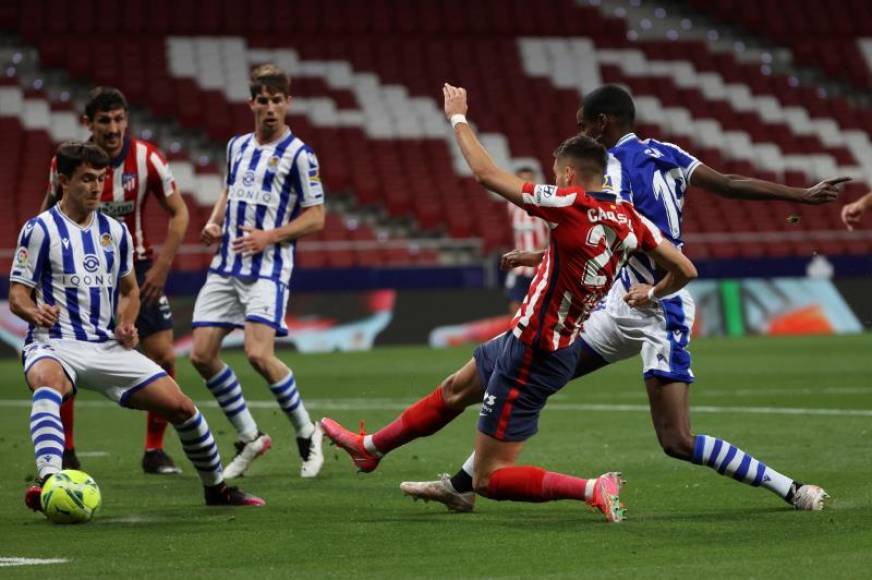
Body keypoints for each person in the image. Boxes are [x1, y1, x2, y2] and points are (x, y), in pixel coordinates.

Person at [401, 84, 837, 513]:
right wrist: (799, 194)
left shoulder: (613, 170)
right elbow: (728, 183)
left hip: (659, 305)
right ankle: (463, 485)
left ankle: (791, 488)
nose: (581, 133)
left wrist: (542, 256)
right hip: (620, 303)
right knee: (535, 373)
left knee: (677, 441)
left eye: (583, 124)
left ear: (602, 122)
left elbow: (610, 233)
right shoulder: (665, 151)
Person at [321, 84, 698, 521]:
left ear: (571, 176)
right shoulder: (630, 221)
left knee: (489, 476)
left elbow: (486, 174)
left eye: (558, 173)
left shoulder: (568, 204)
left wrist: (458, 118)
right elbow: (685, 270)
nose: (555, 180)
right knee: (455, 388)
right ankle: (370, 449)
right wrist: (652, 292)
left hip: (536, 353)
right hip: (542, 339)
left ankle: (594, 487)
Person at [15, 142, 263, 511]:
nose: (97, 187)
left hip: (105, 345)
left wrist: (126, 325)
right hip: (54, 342)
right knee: (49, 385)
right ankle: (50, 479)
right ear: (63, 181)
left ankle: (218, 490)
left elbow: (130, 291)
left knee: (181, 407)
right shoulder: (40, 230)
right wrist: (35, 314)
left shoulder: (115, 232)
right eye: (87, 179)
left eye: (100, 178)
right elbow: (18, 294)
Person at [40, 87, 189, 475]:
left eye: (119, 119)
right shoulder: (68, 162)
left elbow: (179, 213)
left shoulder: (148, 159)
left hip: (136, 270)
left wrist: (161, 267)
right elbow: (47, 210)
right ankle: (67, 450)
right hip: (77, 272)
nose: (113, 127)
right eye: (104, 120)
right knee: (64, 357)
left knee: (165, 355)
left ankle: (154, 450)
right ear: (88, 123)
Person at [190, 64, 325, 479]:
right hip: (226, 264)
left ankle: (307, 432)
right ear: (252, 103)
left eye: (277, 100)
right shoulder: (236, 147)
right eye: (263, 100)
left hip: (268, 268)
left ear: (288, 104)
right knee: (201, 355)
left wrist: (270, 237)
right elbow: (229, 190)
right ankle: (250, 436)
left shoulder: (301, 155)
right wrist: (215, 221)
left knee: (258, 355)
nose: (270, 107)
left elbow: (317, 217)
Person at [504, 167, 550, 314]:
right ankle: (517, 336)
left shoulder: (543, 204)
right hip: (520, 268)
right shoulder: (511, 205)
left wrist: (536, 252)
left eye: (529, 179)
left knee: (542, 306)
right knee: (514, 305)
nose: (526, 183)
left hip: (540, 264)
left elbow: (553, 233)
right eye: (522, 179)